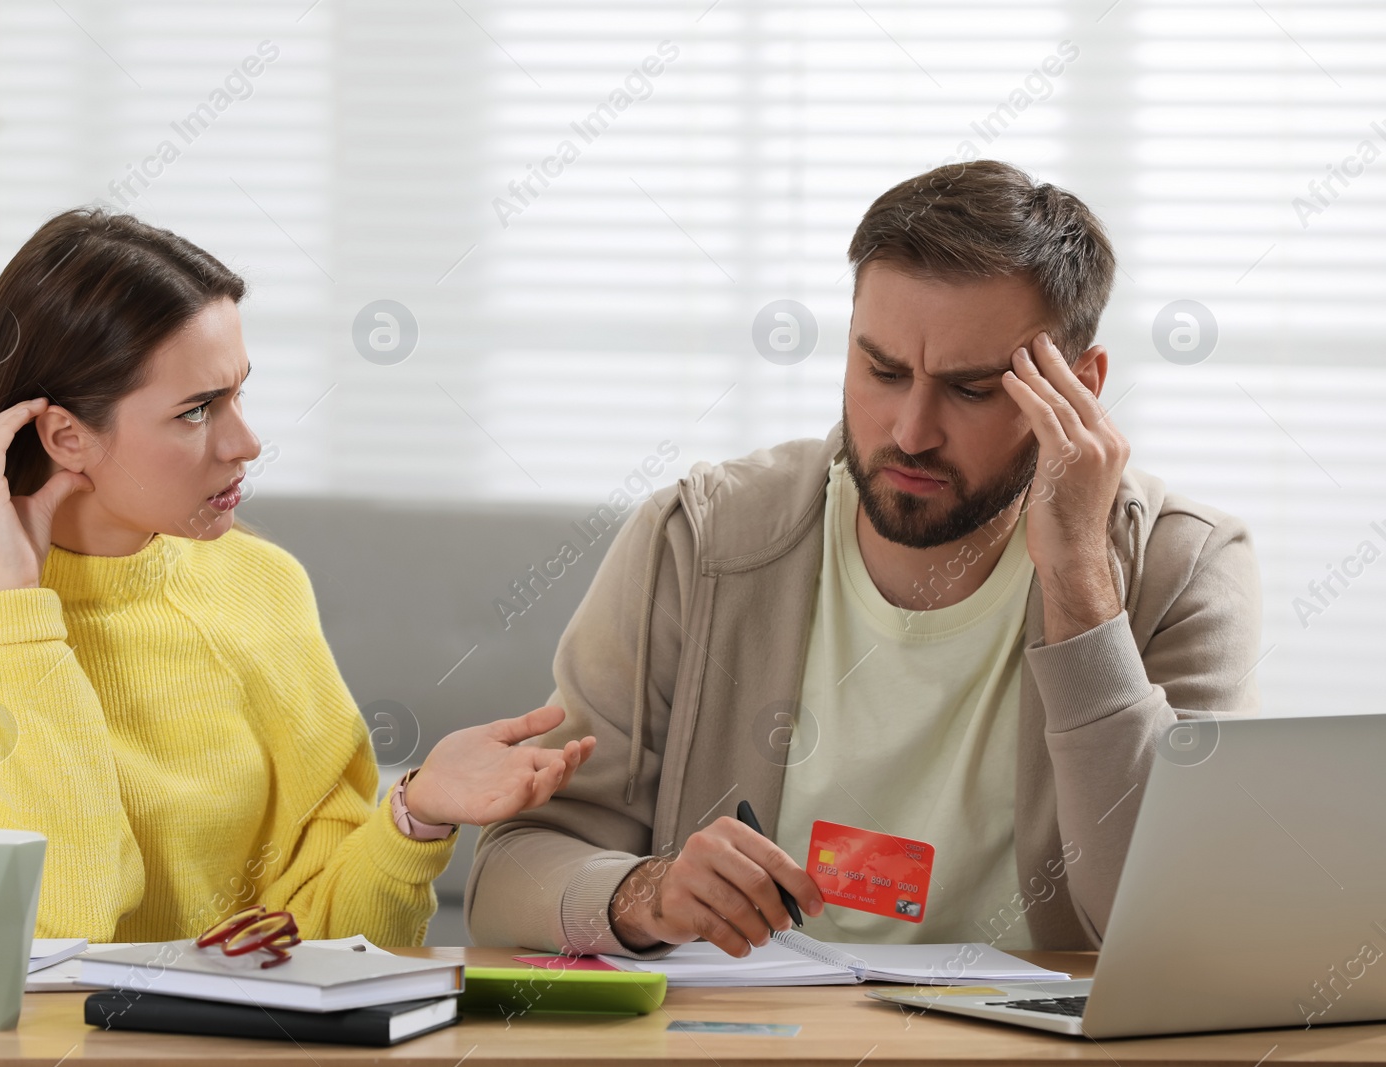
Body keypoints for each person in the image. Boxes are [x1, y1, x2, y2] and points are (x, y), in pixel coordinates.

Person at [465, 160, 1260, 958]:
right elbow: (507, 875)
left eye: (972, 389)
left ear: (1078, 388)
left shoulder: (1183, 568)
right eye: (882, 370)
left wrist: (1083, 583)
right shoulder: (698, 542)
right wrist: (644, 893)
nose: (911, 430)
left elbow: (1174, 929)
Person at [0, 209, 595, 944]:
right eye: (199, 410)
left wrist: (416, 812)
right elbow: (53, 925)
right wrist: (19, 607)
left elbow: (335, 939)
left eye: (238, 393)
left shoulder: (262, 581)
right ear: (67, 436)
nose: (247, 440)